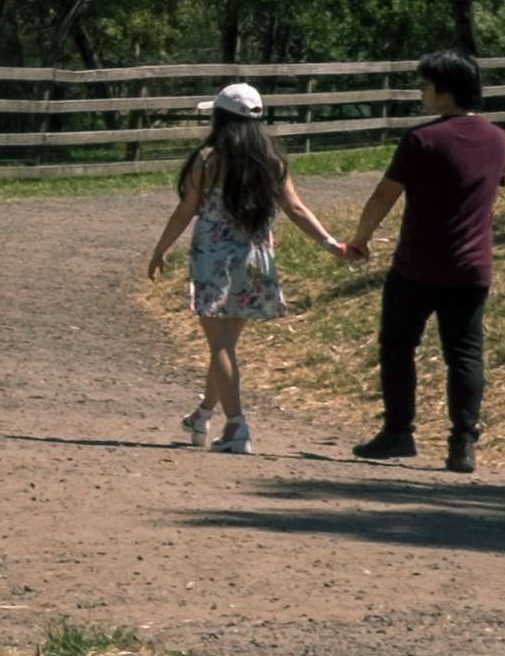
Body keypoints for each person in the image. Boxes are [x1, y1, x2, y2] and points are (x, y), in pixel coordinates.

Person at [142, 81, 355, 454]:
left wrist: (160, 249)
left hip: (214, 259)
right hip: (255, 260)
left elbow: (185, 210)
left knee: (220, 346)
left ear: (221, 118)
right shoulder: (272, 161)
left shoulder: (208, 159)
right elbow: (296, 208)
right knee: (225, 345)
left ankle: (236, 427)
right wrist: (330, 243)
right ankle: (203, 415)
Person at [341, 51, 505, 472]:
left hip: (417, 264)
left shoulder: (422, 139)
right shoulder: (497, 139)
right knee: (465, 354)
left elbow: (385, 194)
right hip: (472, 266)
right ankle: (463, 443)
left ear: (443, 89)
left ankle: (399, 431)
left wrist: (360, 238)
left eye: (425, 85)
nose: (421, 93)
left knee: (398, 346)